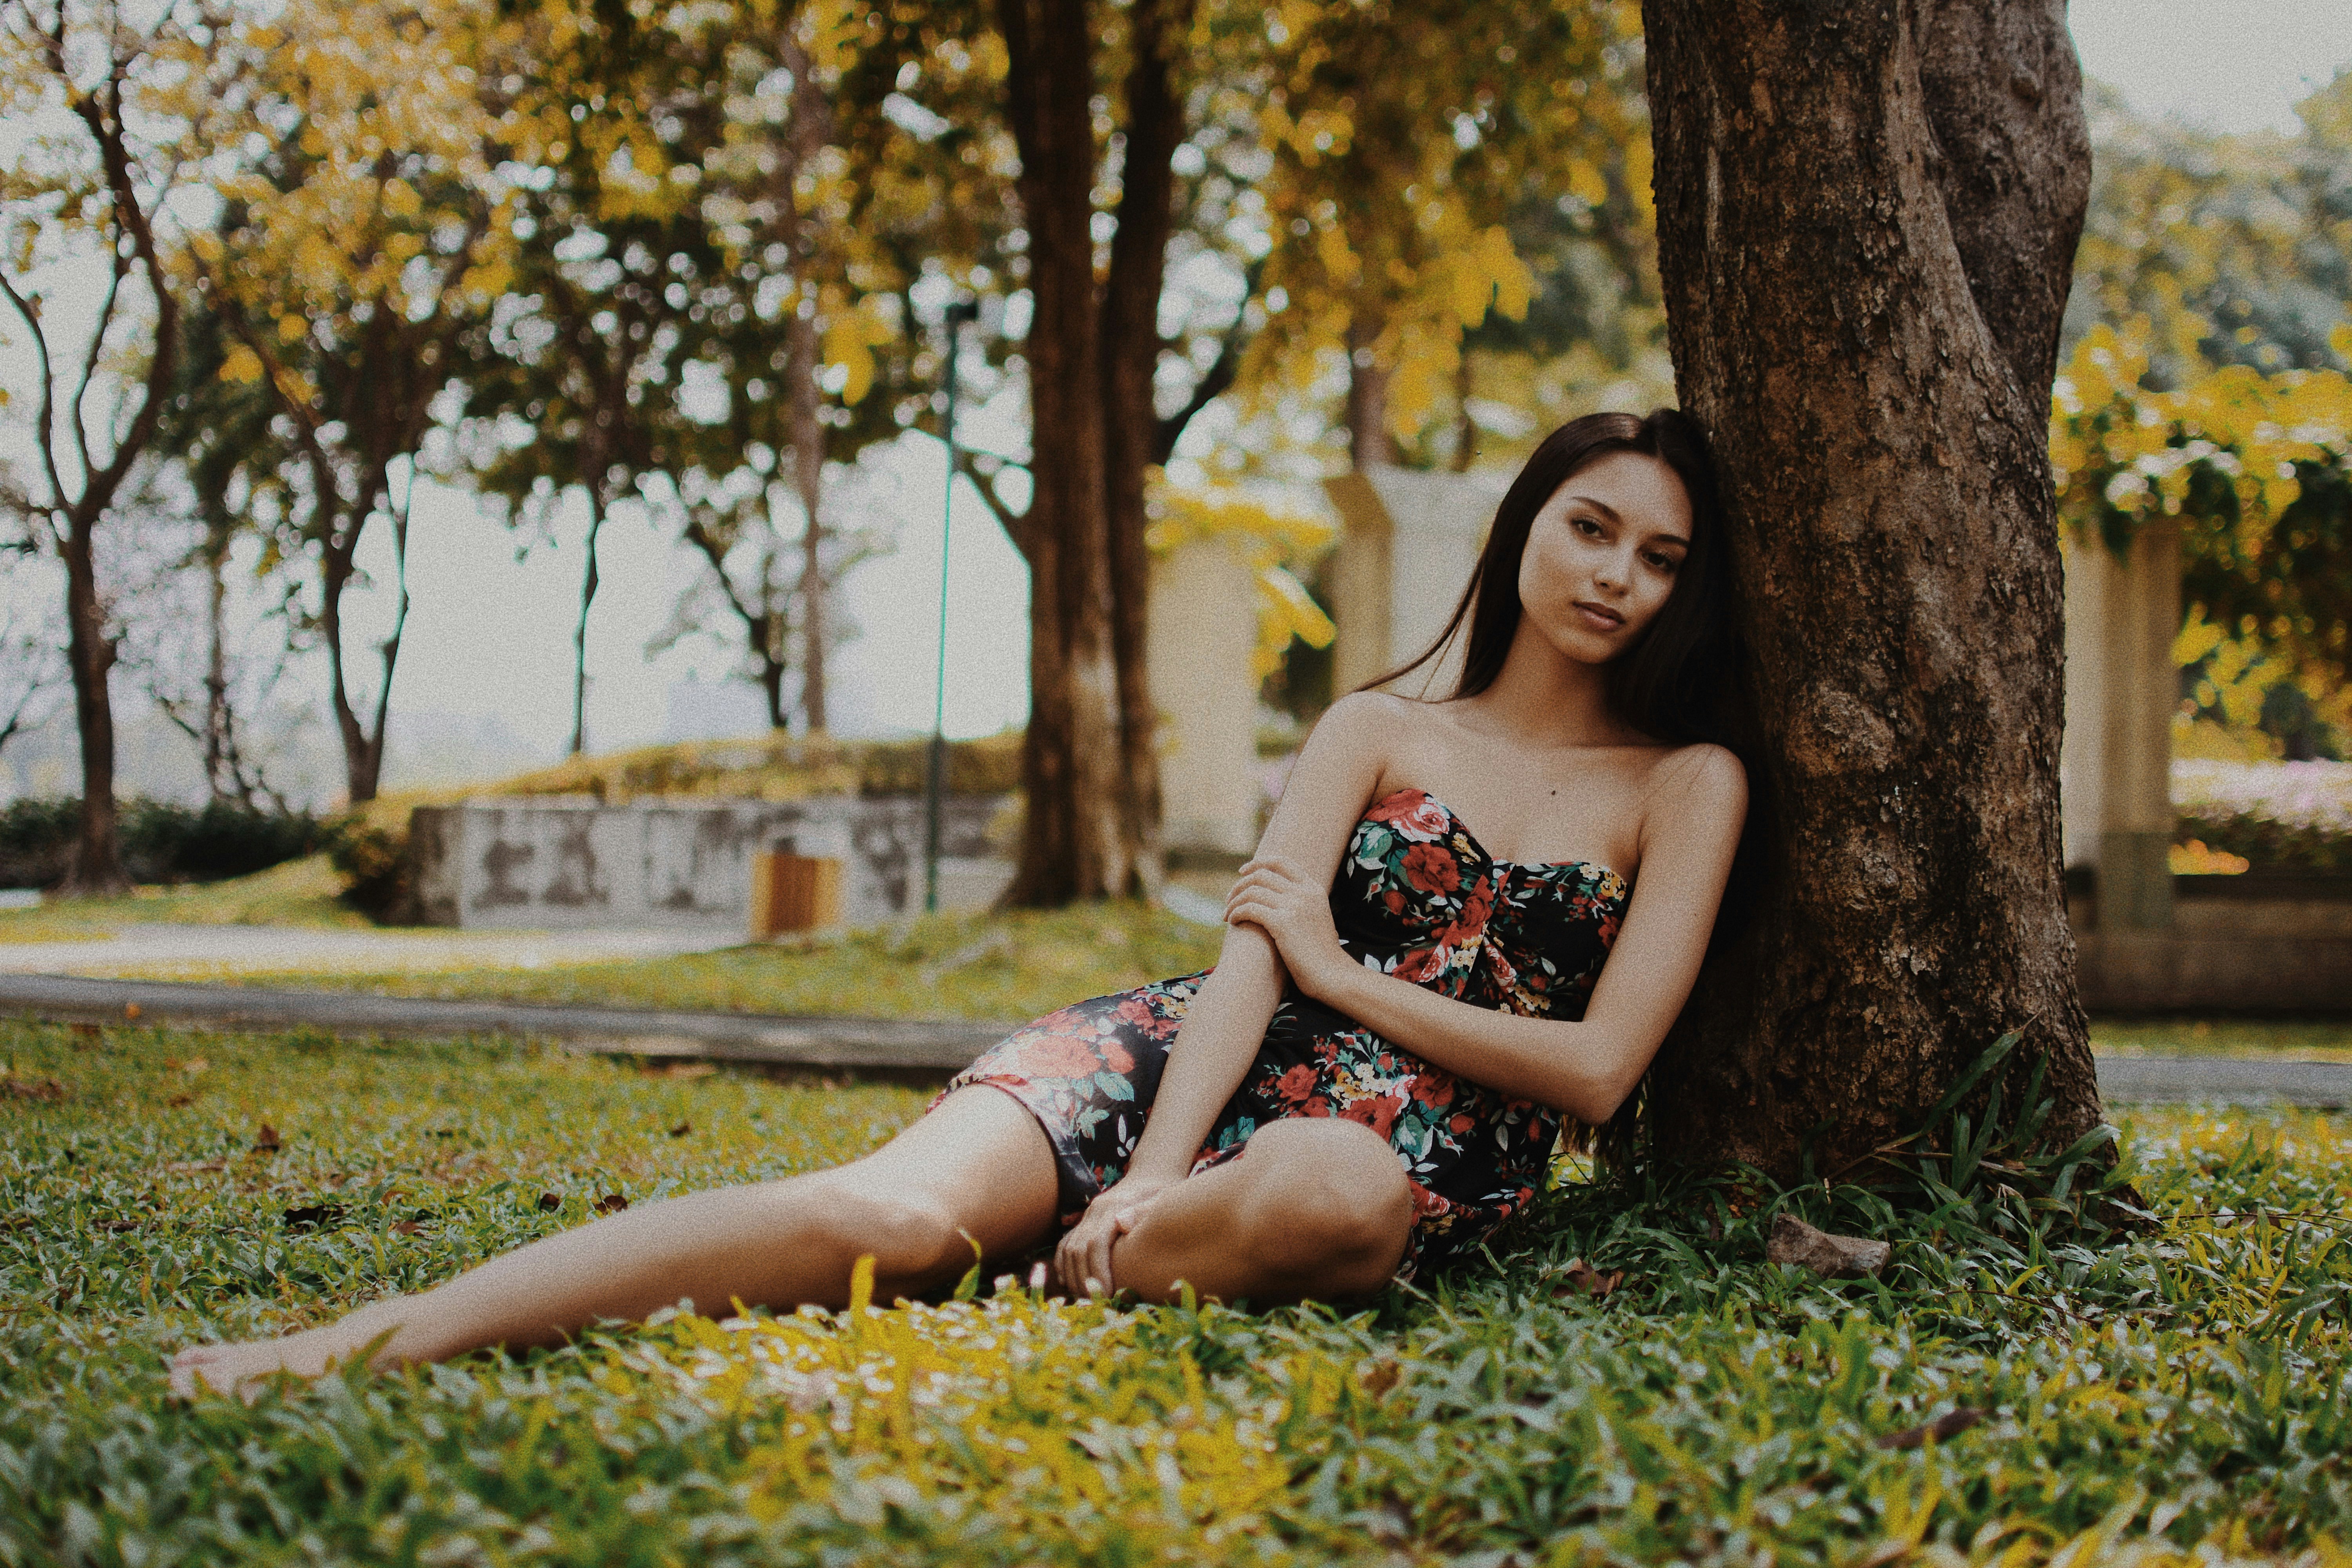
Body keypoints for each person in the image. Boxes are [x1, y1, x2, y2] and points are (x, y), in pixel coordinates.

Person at [170, 408, 1750, 1401]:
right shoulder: (1379, 726)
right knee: (889, 1221)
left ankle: (1112, 1263)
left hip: (1393, 1152)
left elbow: (1602, 1070)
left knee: (1336, 1197)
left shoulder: (1683, 783)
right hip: (1173, 1066)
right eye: (1590, 526)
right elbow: (1255, 964)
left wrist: (1354, 969)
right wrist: (1148, 1164)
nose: (1615, 574)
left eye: (1662, 557)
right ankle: (352, 1342)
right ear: (1527, 526)